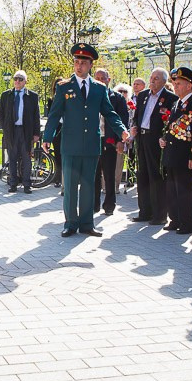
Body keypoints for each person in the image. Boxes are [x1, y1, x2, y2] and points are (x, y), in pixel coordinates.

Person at [43, 43, 128, 237]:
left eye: (83, 63)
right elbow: (54, 114)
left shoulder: (99, 88)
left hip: (91, 144)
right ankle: (70, 223)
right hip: (70, 144)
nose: (79, 66)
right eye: (76, 62)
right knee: (71, 186)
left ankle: (87, 224)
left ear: (90, 65)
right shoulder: (64, 87)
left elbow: (110, 113)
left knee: (89, 185)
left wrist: (122, 130)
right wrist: (47, 136)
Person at [130, 68, 177, 224]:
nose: (152, 80)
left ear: (164, 81)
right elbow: (137, 116)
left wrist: (165, 137)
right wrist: (134, 126)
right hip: (142, 138)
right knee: (142, 174)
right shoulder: (143, 95)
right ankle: (144, 212)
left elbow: (172, 121)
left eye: (156, 78)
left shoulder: (170, 98)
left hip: (156, 140)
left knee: (156, 176)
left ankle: (159, 215)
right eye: (151, 77)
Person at [159, 67, 192, 234]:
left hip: (184, 154)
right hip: (172, 152)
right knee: (171, 189)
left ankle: (186, 223)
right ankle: (174, 219)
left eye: (179, 84)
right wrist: (163, 138)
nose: (175, 87)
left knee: (183, 190)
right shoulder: (177, 103)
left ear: (189, 85)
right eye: (174, 84)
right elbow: (171, 127)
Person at [0, 70, 41, 193]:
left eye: (20, 79)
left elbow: (36, 116)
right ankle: (13, 184)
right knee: (12, 158)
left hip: (26, 132)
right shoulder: (6, 95)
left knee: (27, 159)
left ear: (25, 81)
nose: (17, 81)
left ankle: (27, 184)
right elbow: (0, 113)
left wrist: (36, 133)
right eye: (15, 78)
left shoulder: (32, 96)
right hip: (11, 131)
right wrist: (4, 127)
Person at [92, 68, 127, 214]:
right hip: (93, 140)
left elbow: (122, 119)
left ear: (109, 80)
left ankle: (109, 205)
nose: (100, 81)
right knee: (93, 175)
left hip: (109, 140)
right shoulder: (90, 95)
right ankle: (94, 205)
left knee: (109, 174)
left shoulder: (117, 98)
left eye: (103, 78)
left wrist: (120, 140)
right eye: (97, 78)